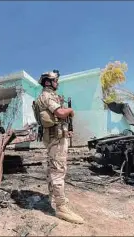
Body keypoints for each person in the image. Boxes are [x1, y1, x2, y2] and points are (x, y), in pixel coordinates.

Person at [34, 70, 84, 224]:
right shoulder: (47, 96)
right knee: (58, 170)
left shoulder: (45, 96)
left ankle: (53, 196)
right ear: (49, 82)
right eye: (56, 80)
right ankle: (61, 207)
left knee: (52, 168)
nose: (58, 83)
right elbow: (61, 113)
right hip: (56, 139)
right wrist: (70, 110)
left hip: (54, 137)